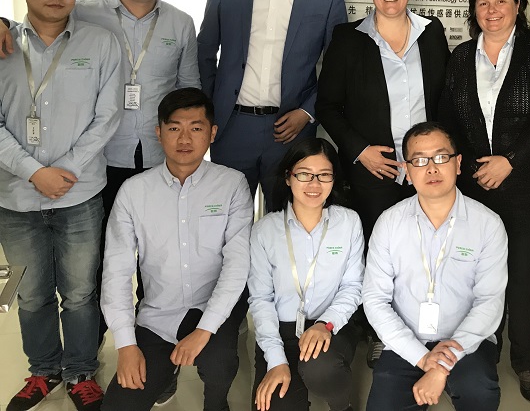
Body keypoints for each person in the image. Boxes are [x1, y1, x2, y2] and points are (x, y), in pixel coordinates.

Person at [0, 0, 201, 359]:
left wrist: (187, 154)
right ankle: (87, 351)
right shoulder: (85, 12)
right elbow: (37, 29)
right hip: (98, 162)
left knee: (155, 259)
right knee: (94, 265)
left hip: (156, 161)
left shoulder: (180, 23)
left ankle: (151, 345)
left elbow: (189, 91)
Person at [0, 0, 123, 411]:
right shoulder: (4, 45)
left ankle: (80, 371)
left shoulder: (100, 43)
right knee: (31, 295)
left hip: (79, 193)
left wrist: (64, 171)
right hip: (15, 196)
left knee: (80, 292)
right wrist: (34, 172)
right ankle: (43, 370)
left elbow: (107, 116)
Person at [439, 0, 530, 402]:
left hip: (528, 186)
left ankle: (525, 360)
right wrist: (466, 167)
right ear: (473, 10)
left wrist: (510, 161)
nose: (492, 10)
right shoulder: (461, 57)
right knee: (479, 278)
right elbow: (448, 118)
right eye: (483, 3)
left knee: (526, 279)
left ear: (518, 5)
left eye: (501, 1)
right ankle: (482, 351)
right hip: (477, 188)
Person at [316, 0, 450, 366]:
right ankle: (379, 333)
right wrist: (359, 151)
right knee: (380, 256)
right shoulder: (348, 39)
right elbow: (327, 106)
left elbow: (445, 101)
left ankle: (425, 329)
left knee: (426, 253)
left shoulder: (431, 33)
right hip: (376, 171)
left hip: (427, 169)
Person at [100, 88, 253, 411]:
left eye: (196, 128)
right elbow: (116, 271)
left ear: (212, 133)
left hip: (213, 307)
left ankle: (216, 406)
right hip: (158, 314)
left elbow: (237, 264)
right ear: (158, 133)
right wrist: (125, 345)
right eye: (174, 128)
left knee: (219, 362)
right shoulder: (134, 192)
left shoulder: (232, 185)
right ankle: (164, 371)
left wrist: (205, 330)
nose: (184, 138)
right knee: (120, 405)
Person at [197, 0, 347, 204]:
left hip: (291, 130)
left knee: (286, 221)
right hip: (231, 125)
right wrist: (209, 110)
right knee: (224, 219)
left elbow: (338, 64)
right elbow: (205, 48)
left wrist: (307, 112)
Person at [363, 121, 508, 411]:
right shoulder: (389, 223)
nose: (431, 168)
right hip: (406, 340)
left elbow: (489, 302)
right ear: (407, 170)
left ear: (458, 163)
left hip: (466, 341)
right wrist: (421, 357)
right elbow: (375, 299)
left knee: (480, 393)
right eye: (419, 160)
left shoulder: (488, 224)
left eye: (441, 157)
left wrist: (441, 365)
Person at [249, 138, 363, 411]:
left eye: (324, 175)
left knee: (320, 367)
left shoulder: (348, 222)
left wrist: (326, 324)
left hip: (333, 325)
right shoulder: (265, 230)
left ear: (334, 179)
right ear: (288, 177)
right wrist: (276, 361)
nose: (314, 184)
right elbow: (261, 300)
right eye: (304, 174)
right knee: (271, 402)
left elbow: (353, 286)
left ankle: (341, 406)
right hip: (282, 330)